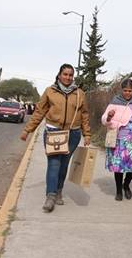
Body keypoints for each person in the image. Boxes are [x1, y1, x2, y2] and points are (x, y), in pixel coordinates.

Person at [20, 64, 91, 213]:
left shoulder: (79, 93)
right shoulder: (50, 91)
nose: (68, 77)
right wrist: (28, 130)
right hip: (54, 132)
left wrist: (87, 134)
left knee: (64, 164)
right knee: (54, 163)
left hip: (73, 133)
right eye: (65, 74)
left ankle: (59, 191)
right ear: (59, 75)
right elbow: (39, 112)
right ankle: (50, 196)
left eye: (71, 75)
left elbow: (84, 115)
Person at [101, 78, 132, 201]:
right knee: (119, 167)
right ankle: (118, 191)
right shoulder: (115, 102)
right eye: (125, 90)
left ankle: (126, 185)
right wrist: (109, 116)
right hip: (119, 140)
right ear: (121, 90)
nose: (127, 93)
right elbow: (104, 119)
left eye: (130, 91)